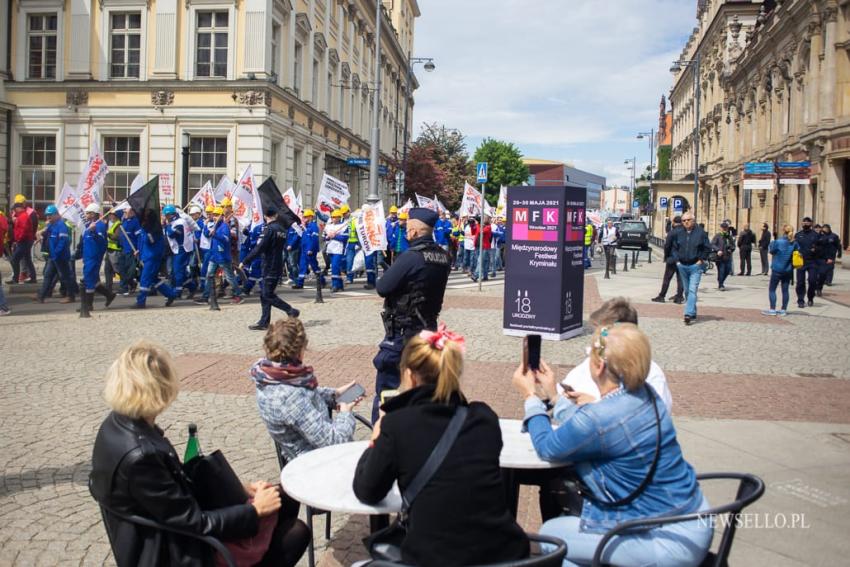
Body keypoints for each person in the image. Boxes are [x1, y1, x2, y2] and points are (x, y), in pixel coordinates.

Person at [90, 341, 310, 567]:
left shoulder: (116, 424)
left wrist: (239, 488)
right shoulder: (141, 455)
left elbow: (167, 494)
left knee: (285, 495)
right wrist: (255, 511)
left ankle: (259, 546)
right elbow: (194, 522)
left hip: (169, 527)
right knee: (296, 532)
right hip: (179, 550)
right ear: (162, 387)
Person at [514, 324, 712, 567]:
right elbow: (598, 423)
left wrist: (530, 398)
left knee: (551, 536)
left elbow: (548, 446)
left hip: (661, 541)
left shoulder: (600, 418)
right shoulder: (647, 395)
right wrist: (556, 397)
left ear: (599, 366)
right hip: (691, 519)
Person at [354, 326, 530, 566]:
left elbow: (368, 490)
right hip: (504, 555)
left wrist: (376, 440)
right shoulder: (483, 418)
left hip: (435, 557)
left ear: (410, 375)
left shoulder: (398, 426)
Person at [372, 208, 452, 422]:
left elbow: (383, 287)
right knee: (421, 386)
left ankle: (381, 438)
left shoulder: (411, 257)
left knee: (388, 389)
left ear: (415, 232)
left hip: (403, 332)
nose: (406, 232)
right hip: (428, 330)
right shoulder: (443, 257)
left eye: (408, 229)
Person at [253, 317, 358, 463]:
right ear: (300, 351)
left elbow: (304, 395)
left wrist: (334, 395)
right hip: (315, 465)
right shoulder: (289, 397)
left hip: (310, 458)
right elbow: (334, 442)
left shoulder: (269, 375)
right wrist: (345, 413)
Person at [563, 298, 672, 411]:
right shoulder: (595, 361)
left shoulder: (650, 373)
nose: (596, 341)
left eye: (601, 334)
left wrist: (595, 405)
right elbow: (568, 384)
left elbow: (651, 419)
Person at [240, 208, 300, 330]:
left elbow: (260, 247)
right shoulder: (282, 230)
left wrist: (246, 261)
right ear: (276, 215)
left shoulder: (269, 229)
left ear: (265, 216)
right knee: (264, 294)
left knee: (267, 294)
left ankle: (290, 310)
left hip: (269, 265)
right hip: (277, 264)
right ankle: (264, 322)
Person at [195, 207, 243, 308]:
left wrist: (215, 234)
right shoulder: (214, 225)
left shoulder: (224, 226)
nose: (215, 217)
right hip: (214, 255)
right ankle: (206, 296)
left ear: (221, 216)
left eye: (217, 215)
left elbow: (226, 239)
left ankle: (238, 294)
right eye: (214, 215)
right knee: (209, 275)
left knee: (229, 277)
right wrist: (205, 227)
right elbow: (207, 234)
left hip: (223, 255)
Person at [671, 212, 711, 325]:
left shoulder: (701, 233)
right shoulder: (679, 233)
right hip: (682, 265)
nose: (686, 222)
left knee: (693, 289)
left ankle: (687, 313)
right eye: (683, 221)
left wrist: (701, 260)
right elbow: (674, 248)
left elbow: (707, 248)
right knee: (687, 291)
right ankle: (693, 312)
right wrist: (677, 261)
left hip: (695, 266)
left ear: (693, 220)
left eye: (688, 220)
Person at [33, 205, 78, 304]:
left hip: (61, 257)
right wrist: (40, 233)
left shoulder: (61, 226)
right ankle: (42, 296)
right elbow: (45, 232)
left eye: (50, 215)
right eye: (47, 215)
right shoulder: (51, 225)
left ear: (57, 215)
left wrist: (57, 254)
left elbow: (63, 242)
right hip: (53, 257)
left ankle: (71, 296)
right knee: (47, 275)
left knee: (65, 277)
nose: (48, 217)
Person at [77, 203, 117, 311]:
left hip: (94, 257)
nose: (86, 215)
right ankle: (109, 295)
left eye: (88, 213)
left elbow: (102, 242)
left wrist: (93, 231)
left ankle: (88, 305)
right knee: (94, 280)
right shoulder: (89, 225)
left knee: (89, 279)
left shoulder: (99, 226)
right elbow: (85, 241)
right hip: (88, 256)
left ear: (94, 214)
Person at [135, 219, 179, 309]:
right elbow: (144, 243)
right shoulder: (146, 228)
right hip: (147, 256)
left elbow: (150, 241)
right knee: (153, 279)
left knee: (145, 279)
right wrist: (139, 250)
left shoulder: (154, 229)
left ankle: (141, 301)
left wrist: (146, 232)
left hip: (152, 257)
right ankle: (171, 294)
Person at [762, 224, 798, 317]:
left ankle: (772, 309)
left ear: (783, 231)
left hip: (777, 268)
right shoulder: (794, 243)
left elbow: (772, 251)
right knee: (785, 290)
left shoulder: (778, 241)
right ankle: (783, 310)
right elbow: (797, 253)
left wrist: (772, 243)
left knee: (772, 289)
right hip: (788, 269)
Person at [163, 205, 197, 299]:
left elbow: (172, 234)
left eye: (166, 215)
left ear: (171, 215)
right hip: (178, 249)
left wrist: (168, 226)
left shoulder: (179, 222)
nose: (165, 218)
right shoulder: (176, 221)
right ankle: (191, 286)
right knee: (178, 271)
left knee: (178, 271)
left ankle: (177, 291)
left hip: (182, 249)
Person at [652, 215, 684, 304]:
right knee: (680, 278)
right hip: (682, 259)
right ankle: (679, 297)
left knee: (667, 278)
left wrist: (666, 256)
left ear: (674, 222)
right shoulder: (685, 232)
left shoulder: (672, 232)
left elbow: (667, 246)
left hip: (672, 258)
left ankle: (662, 296)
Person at [292, 209, 325, 290]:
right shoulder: (306, 226)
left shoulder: (313, 226)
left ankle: (321, 281)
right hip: (304, 250)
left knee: (314, 267)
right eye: (304, 217)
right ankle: (300, 284)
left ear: (310, 217)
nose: (304, 218)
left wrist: (311, 249)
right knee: (302, 266)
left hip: (310, 250)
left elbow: (314, 239)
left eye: (306, 217)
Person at [9, 195, 38, 284]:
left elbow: (24, 230)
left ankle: (16, 279)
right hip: (25, 240)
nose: (13, 211)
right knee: (27, 258)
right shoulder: (23, 215)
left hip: (24, 241)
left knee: (14, 259)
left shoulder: (24, 216)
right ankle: (32, 277)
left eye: (14, 209)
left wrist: (18, 239)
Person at [794, 217, 822, 308]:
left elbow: (821, 248)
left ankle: (810, 298)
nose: (806, 223)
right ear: (802, 223)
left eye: (808, 222)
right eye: (804, 222)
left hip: (812, 262)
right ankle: (800, 300)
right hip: (801, 262)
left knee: (812, 281)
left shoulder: (816, 235)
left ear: (811, 224)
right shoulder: (798, 235)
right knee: (800, 282)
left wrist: (816, 249)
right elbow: (794, 247)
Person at [323, 209, 348, 292]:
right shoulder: (328, 226)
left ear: (339, 217)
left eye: (335, 217)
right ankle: (340, 284)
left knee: (335, 267)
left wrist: (335, 236)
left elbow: (345, 238)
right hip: (330, 249)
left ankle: (335, 285)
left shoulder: (344, 226)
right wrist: (327, 237)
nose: (334, 219)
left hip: (338, 249)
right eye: (332, 217)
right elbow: (324, 237)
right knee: (334, 267)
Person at [711, 221, 735, 290]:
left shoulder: (729, 236)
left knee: (727, 270)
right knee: (721, 271)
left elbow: (733, 245)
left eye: (726, 228)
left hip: (728, 256)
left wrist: (731, 249)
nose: (724, 229)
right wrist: (718, 250)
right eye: (723, 228)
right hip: (720, 257)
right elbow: (712, 244)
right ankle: (721, 284)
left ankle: (720, 280)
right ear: (721, 228)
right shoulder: (718, 236)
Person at [819, 224, 842, 289]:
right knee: (822, 268)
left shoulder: (834, 236)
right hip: (822, 255)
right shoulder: (821, 236)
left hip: (831, 255)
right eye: (824, 228)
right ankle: (823, 280)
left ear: (829, 229)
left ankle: (829, 281)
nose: (825, 229)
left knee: (830, 268)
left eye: (826, 228)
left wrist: (839, 253)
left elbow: (838, 245)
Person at [472, 215, 493, 282]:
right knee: (485, 262)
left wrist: (478, 224)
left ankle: (476, 275)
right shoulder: (481, 225)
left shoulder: (488, 227)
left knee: (480, 261)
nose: (483, 220)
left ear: (488, 220)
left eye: (485, 219)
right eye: (483, 219)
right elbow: (473, 232)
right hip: (479, 246)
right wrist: (472, 225)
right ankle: (485, 276)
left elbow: (480, 232)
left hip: (485, 247)